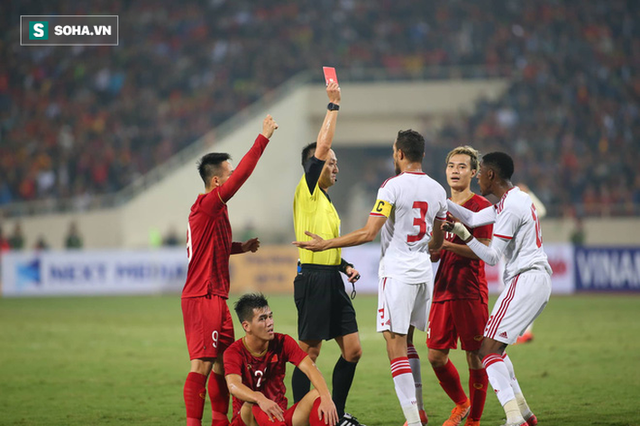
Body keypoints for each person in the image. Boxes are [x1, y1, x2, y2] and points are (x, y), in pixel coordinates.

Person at [294, 129, 447, 426]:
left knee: (394, 345)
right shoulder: (438, 190)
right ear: (423, 155)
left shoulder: (391, 186)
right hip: (423, 275)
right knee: (408, 343)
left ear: (399, 154)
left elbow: (368, 233)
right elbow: (438, 244)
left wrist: (326, 245)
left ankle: (413, 419)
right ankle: (307, 415)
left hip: (397, 273)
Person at [182, 115, 278, 426]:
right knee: (202, 365)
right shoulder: (208, 204)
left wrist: (242, 247)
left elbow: (215, 247)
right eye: (229, 173)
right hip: (202, 295)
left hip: (217, 298)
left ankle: (220, 422)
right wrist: (262, 138)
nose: (234, 175)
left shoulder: (215, 211)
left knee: (224, 365)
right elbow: (243, 176)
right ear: (217, 182)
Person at [444, 152, 552, 426]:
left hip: (525, 279)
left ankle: (513, 418)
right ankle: (525, 414)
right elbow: (473, 215)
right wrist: (441, 201)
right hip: (534, 280)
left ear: (491, 174)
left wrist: (464, 235)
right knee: (496, 350)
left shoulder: (510, 208)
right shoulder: (515, 199)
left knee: (487, 351)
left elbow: (491, 257)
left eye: (480, 172)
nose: (477, 176)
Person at [291, 81, 364, 426]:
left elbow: (329, 247)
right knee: (309, 353)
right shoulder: (307, 191)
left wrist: (345, 265)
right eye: (330, 162)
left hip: (332, 279)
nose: (335, 167)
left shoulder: (327, 204)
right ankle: (298, 416)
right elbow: (322, 145)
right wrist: (333, 106)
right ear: (313, 166)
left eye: (335, 163)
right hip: (313, 282)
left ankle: (333, 412)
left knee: (353, 351)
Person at [427, 146, 492, 426]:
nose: (455, 170)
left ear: (474, 173)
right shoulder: (438, 204)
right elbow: (434, 250)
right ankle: (461, 403)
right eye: (451, 166)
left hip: (470, 290)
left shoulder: (482, 208)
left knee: (475, 357)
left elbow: (485, 250)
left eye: (462, 166)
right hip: (442, 288)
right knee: (435, 356)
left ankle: (474, 420)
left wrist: (447, 244)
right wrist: (432, 248)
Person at [224, 293, 338, 426]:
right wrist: (259, 398)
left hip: (280, 417)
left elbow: (310, 368)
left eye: (270, 316)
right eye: (262, 319)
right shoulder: (234, 352)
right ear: (246, 326)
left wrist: (326, 397)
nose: (270, 323)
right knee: (252, 404)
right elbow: (233, 386)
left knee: (318, 394)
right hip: (247, 420)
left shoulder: (282, 342)